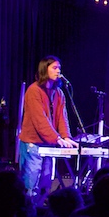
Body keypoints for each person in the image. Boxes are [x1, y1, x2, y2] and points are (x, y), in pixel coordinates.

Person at [17, 56, 78, 200]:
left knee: (45, 183)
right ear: (45, 69)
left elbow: (62, 118)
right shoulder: (34, 91)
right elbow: (40, 120)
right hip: (33, 143)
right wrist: (57, 138)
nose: (58, 71)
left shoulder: (59, 93)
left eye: (59, 68)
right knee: (30, 185)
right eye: (54, 68)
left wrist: (66, 137)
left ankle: (40, 212)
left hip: (48, 144)